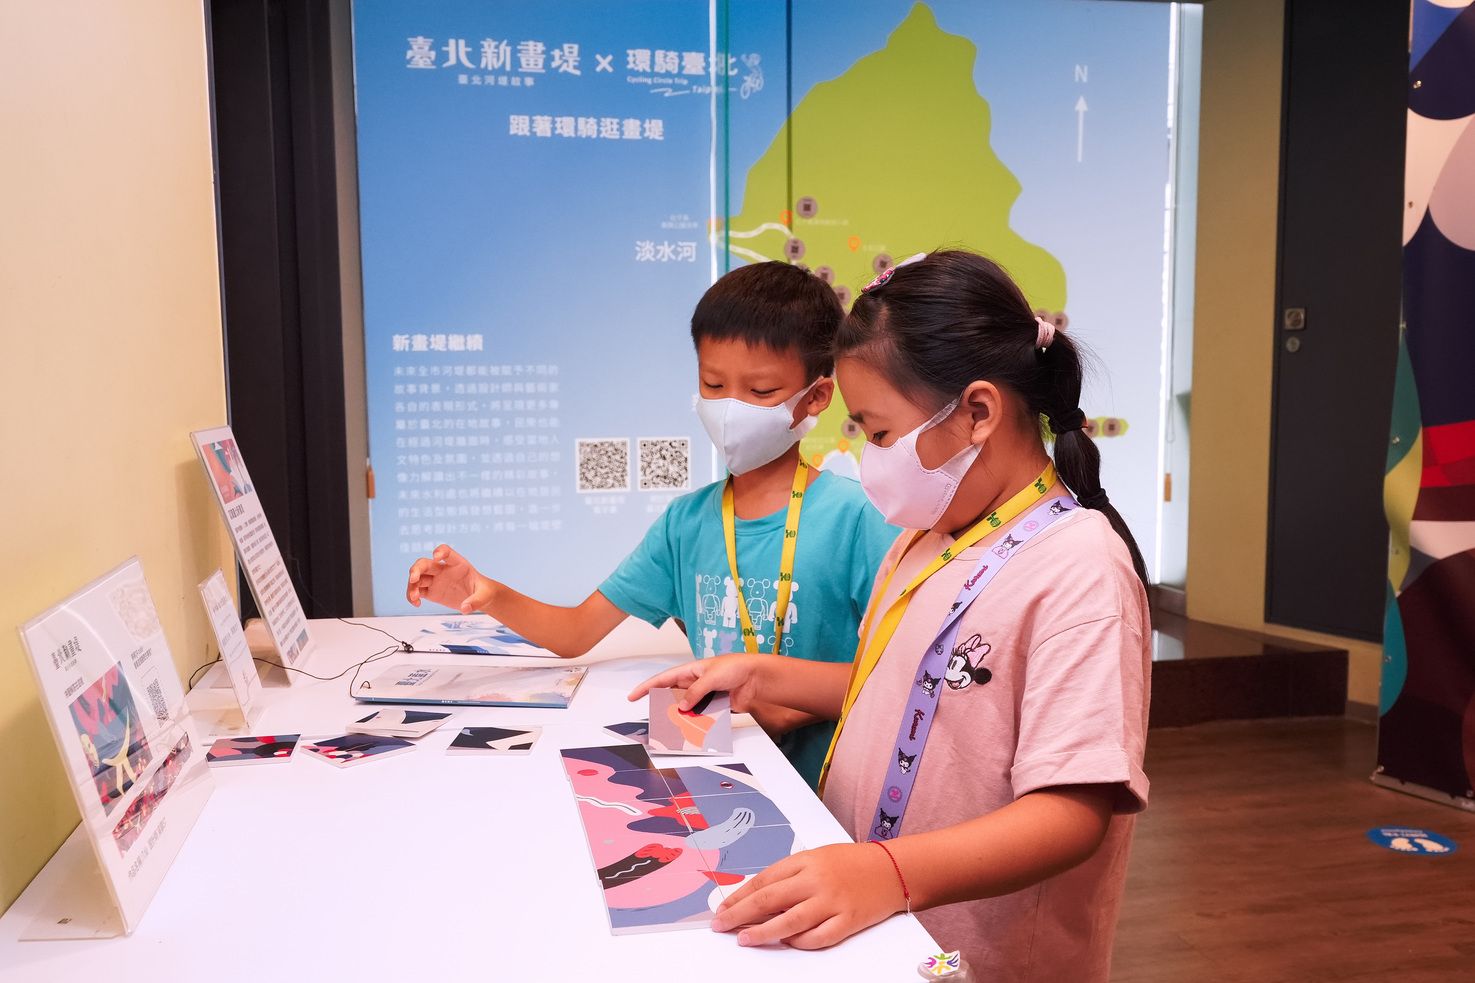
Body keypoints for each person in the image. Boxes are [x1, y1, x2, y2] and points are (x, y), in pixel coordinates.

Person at [629, 250, 1151, 981]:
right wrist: (762, 675)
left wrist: (888, 872)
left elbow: (1072, 812)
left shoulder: (1078, 568)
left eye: (877, 433)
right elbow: (897, 686)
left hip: (986, 954)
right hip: (881, 928)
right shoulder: (925, 537)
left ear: (976, 412)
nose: (870, 456)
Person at [406, 261, 897, 789]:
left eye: (759, 392)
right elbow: (574, 633)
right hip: (716, 777)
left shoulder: (858, 517)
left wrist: (785, 699)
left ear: (816, 397)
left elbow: (898, 678)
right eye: (713, 384)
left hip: (828, 795)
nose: (730, 408)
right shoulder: (686, 524)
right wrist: (486, 592)